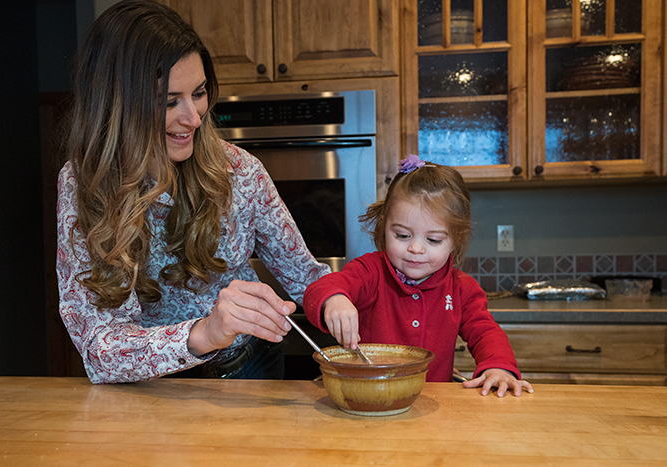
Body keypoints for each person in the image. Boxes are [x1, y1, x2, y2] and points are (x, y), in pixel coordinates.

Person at [56, 0, 329, 384]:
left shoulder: (241, 172)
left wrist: (338, 301)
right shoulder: (83, 184)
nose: (194, 118)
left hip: (249, 367)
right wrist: (203, 333)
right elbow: (99, 348)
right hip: (151, 385)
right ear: (117, 105)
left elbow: (307, 277)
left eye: (199, 93)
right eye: (170, 101)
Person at [303, 154, 534, 397]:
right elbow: (319, 289)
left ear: (455, 239)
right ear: (384, 225)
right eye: (402, 235)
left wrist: (498, 366)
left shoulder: (462, 289)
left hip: (432, 407)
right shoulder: (369, 271)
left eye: (433, 240)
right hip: (367, 397)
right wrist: (334, 299)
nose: (416, 249)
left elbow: (485, 331)